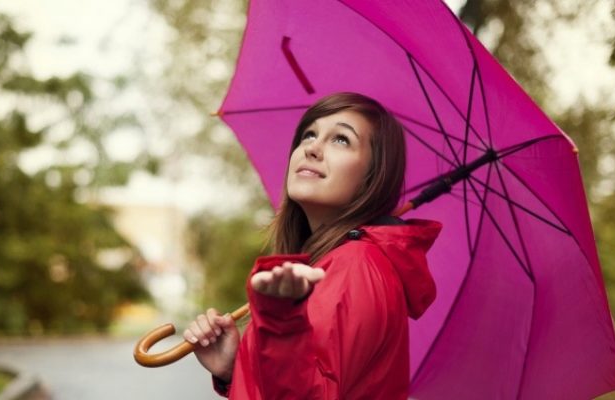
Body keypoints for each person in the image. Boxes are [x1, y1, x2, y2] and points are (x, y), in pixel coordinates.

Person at [183, 92, 442, 399]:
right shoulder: (333, 262)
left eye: (341, 140)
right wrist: (234, 370)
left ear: (373, 176)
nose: (312, 149)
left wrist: (280, 319)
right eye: (309, 134)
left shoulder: (355, 265)